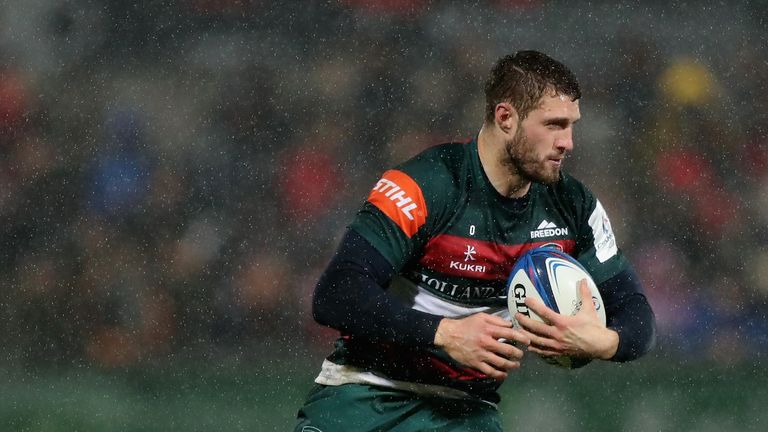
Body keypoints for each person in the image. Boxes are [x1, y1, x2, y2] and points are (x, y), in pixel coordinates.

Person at [294, 50, 656, 432]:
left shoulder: (574, 206)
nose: (567, 142)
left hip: (464, 412)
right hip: (362, 396)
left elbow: (635, 311)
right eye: (553, 124)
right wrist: (444, 334)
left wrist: (601, 341)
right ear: (506, 118)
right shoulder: (425, 184)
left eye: (571, 126)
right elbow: (336, 294)